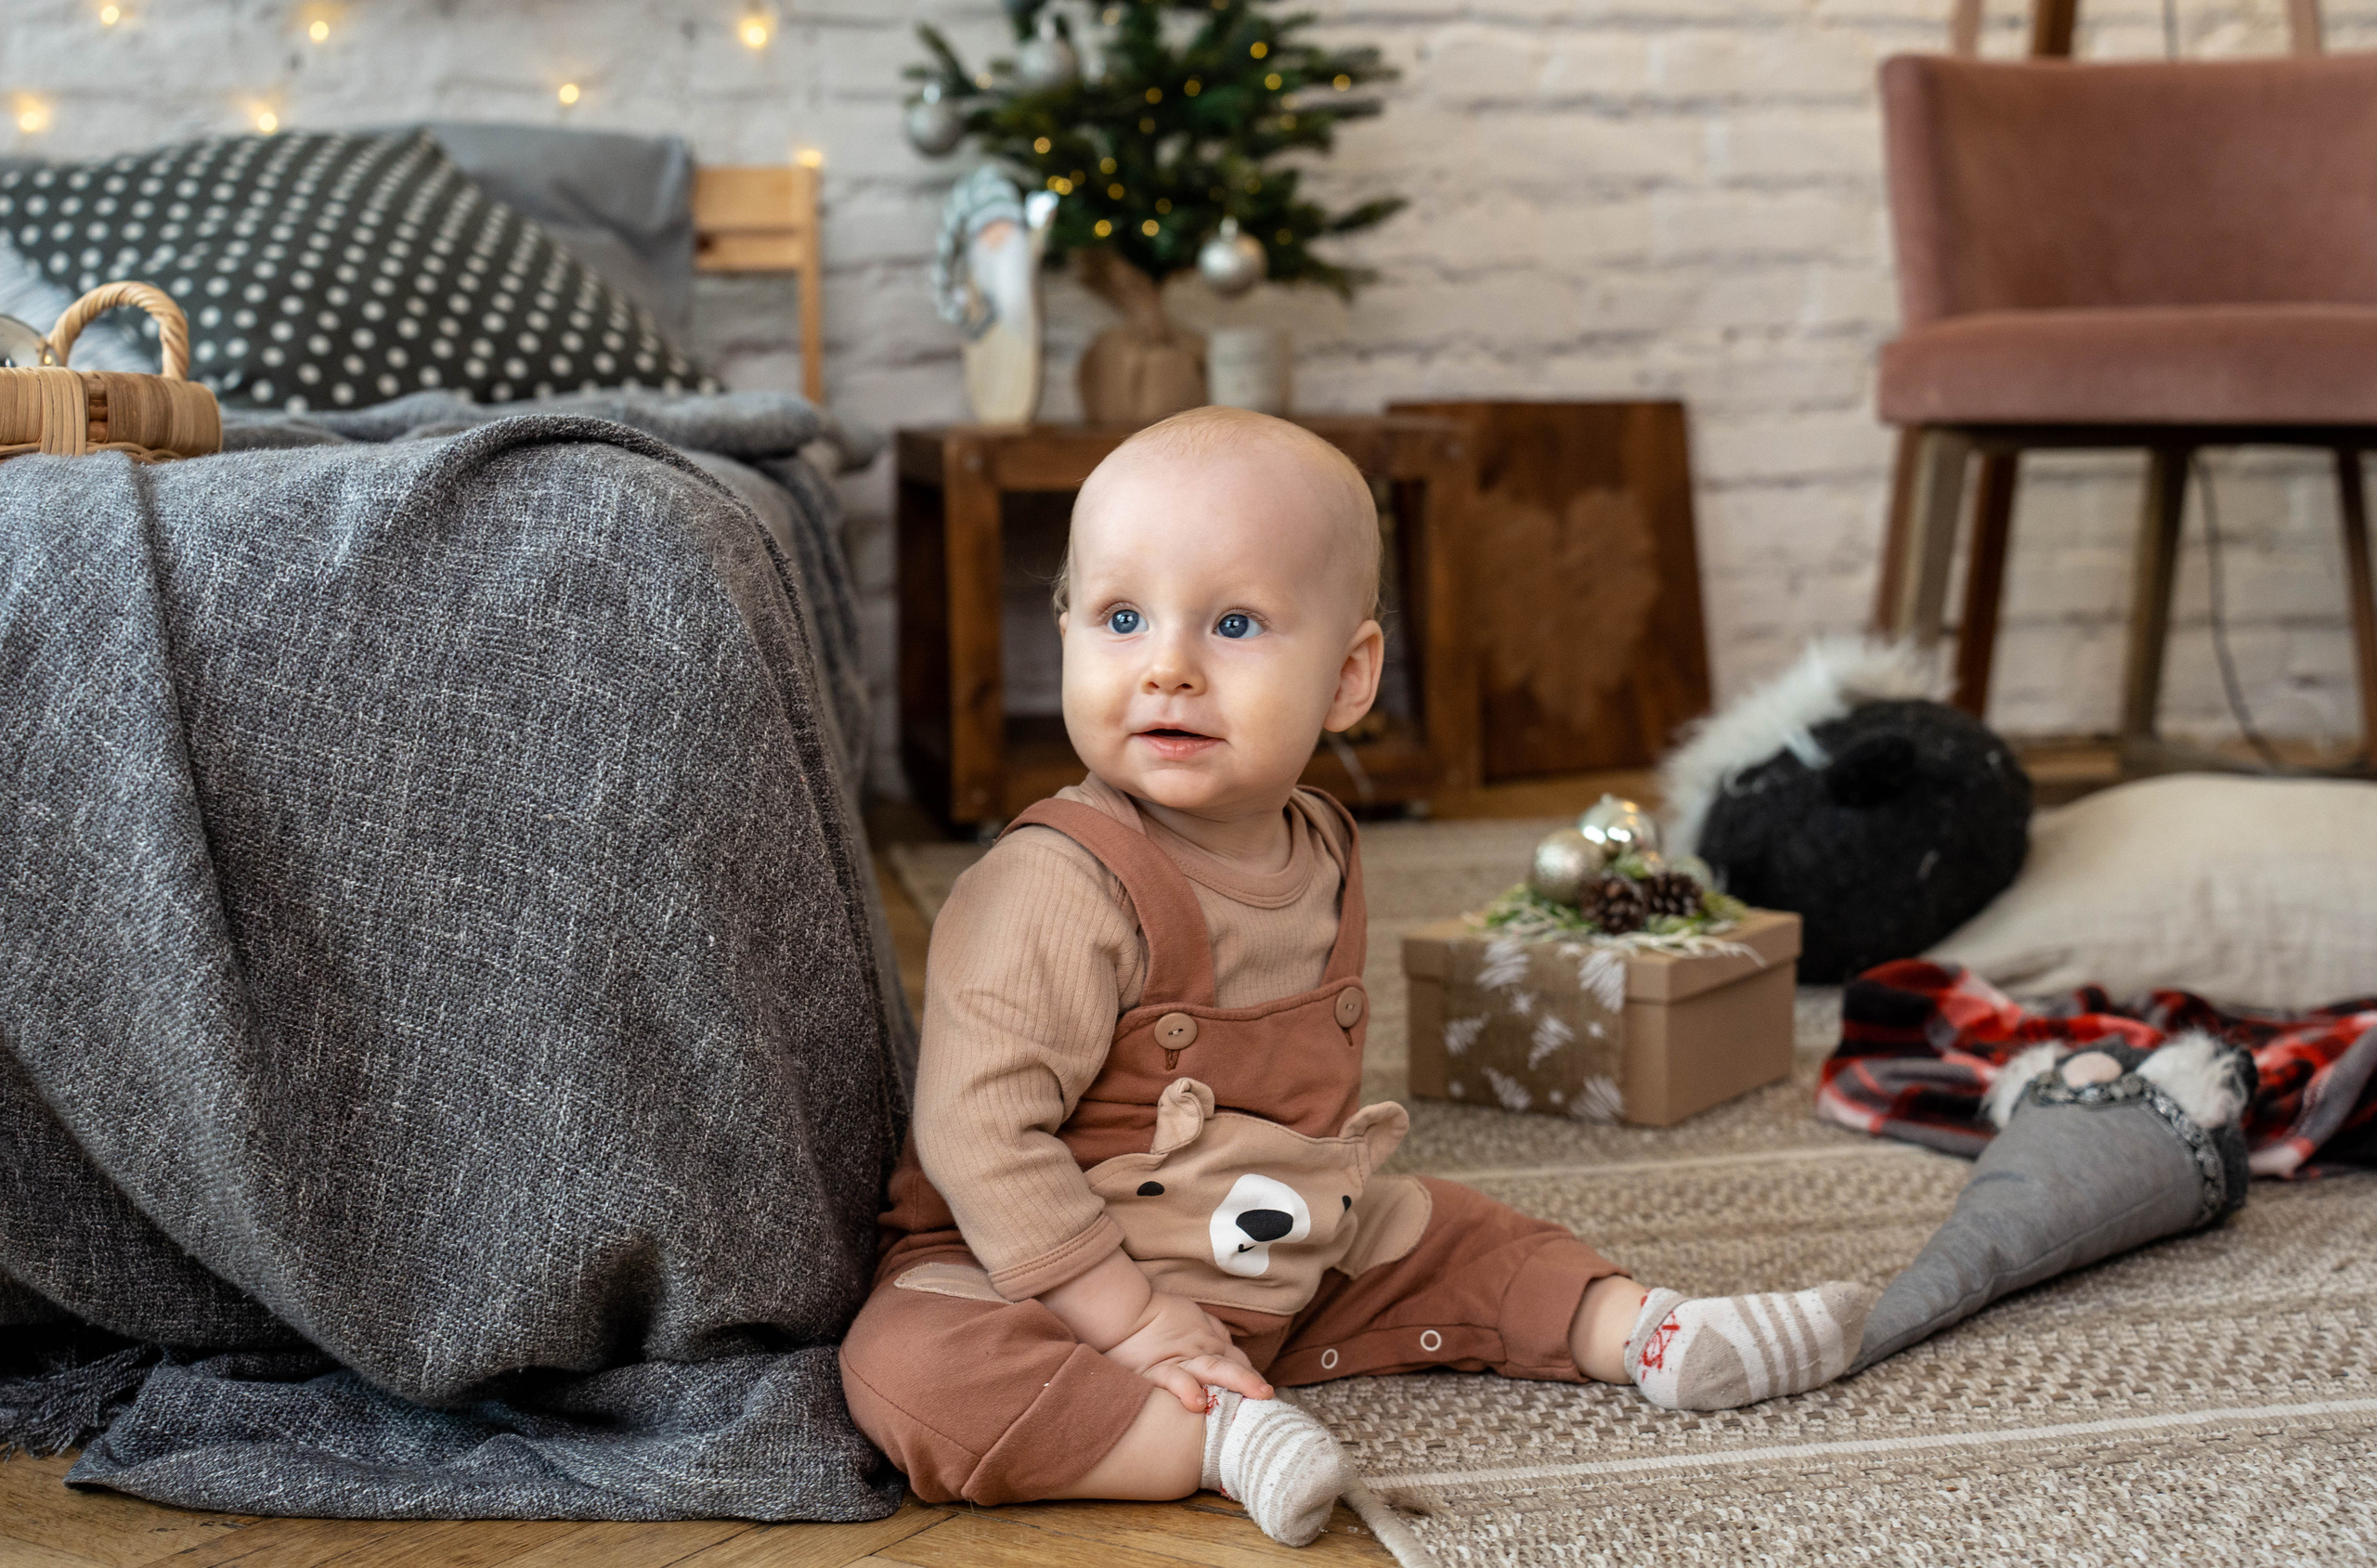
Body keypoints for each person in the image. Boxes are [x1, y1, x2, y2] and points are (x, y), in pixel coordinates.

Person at [838, 407, 1872, 1546]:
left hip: (1272, 1244)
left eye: (1233, 623)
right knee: (908, 1371)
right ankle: (1205, 1440)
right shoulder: (1052, 884)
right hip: (1039, 1273)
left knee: (1457, 1235)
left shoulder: (1324, 845)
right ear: (1067, 631)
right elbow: (978, 1136)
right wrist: (1132, 1322)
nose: (1167, 667)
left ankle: (1652, 1334)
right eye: (1121, 618)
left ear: (1347, 677)